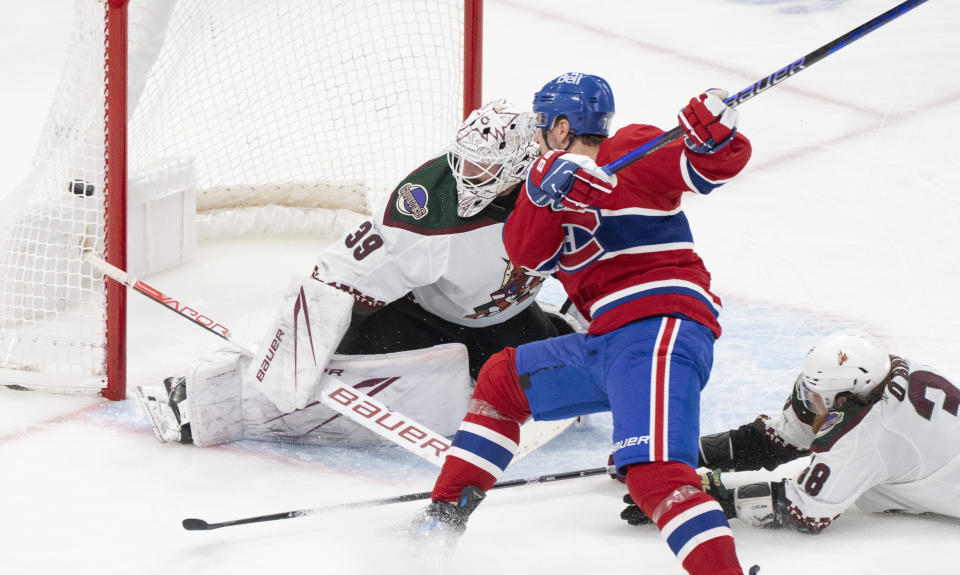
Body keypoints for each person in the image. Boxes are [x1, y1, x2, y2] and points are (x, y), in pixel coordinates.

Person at [411, 72, 754, 575]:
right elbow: (526, 254)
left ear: (564, 124)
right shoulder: (541, 180)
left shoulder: (633, 147)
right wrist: (546, 195)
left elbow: (707, 166)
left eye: (543, 124)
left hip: (658, 327)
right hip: (606, 342)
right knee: (504, 381)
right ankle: (440, 522)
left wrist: (713, 134)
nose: (535, 135)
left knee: (655, 474)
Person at [136, 99, 579, 447]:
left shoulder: (562, 189)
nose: (464, 176)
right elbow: (341, 275)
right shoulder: (427, 204)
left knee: (562, 395)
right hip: (420, 318)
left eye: (481, 167)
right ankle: (204, 399)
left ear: (520, 166)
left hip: (509, 317)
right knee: (341, 380)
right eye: (462, 161)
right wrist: (304, 360)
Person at [620, 330, 960, 533]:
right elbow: (780, 440)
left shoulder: (865, 437)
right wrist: (678, 450)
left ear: (843, 396)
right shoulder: (882, 370)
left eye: (816, 396)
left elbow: (806, 512)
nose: (808, 401)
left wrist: (706, 500)